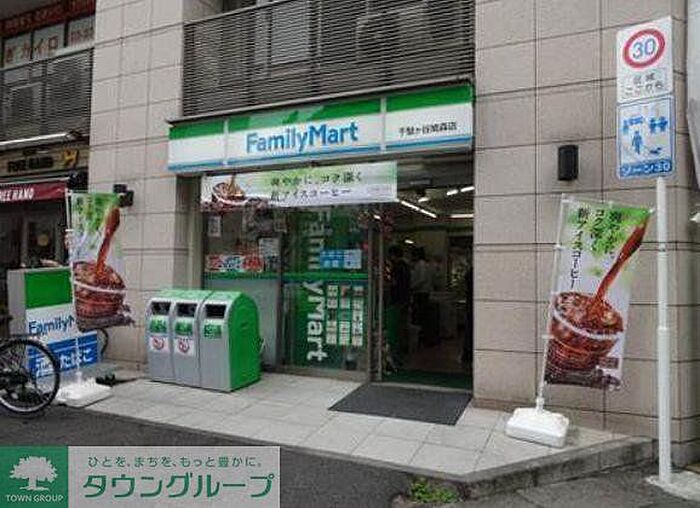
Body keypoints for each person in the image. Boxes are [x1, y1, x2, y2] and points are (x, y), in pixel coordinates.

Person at [410, 247, 432, 346]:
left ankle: (421, 338)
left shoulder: (421, 265)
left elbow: (421, 279)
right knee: (422, 316)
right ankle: (422, 338)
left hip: (421, 293)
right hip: (423, 293)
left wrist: (412, 287)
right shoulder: (424, 264)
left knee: (420, 316)